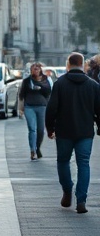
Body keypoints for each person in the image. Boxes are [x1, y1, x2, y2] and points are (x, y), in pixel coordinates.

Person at [45, 52, 100, 213]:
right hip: (85, 131)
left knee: (63, 161)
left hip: (64, 131)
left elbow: (51, 108)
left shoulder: (60, 83)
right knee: (83, 164)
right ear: (83, 65)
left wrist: (50, 128)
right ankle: (81, 200)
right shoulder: (93, 85)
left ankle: (67, 190)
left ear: (68, 64)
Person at [19, 62, 52, 160]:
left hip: (42, 107)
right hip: (29, 107)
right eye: (33, 69)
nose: (35, 70)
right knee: (32, 129)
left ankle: (38, 147)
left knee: (41, 130)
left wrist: (40, 87)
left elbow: (48, 92)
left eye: (37, 69)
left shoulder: (46, 79)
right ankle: (32, 149)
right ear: (30, 71)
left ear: (40, 70)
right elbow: (21, 95)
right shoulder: (27, 81)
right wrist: (21, 108)